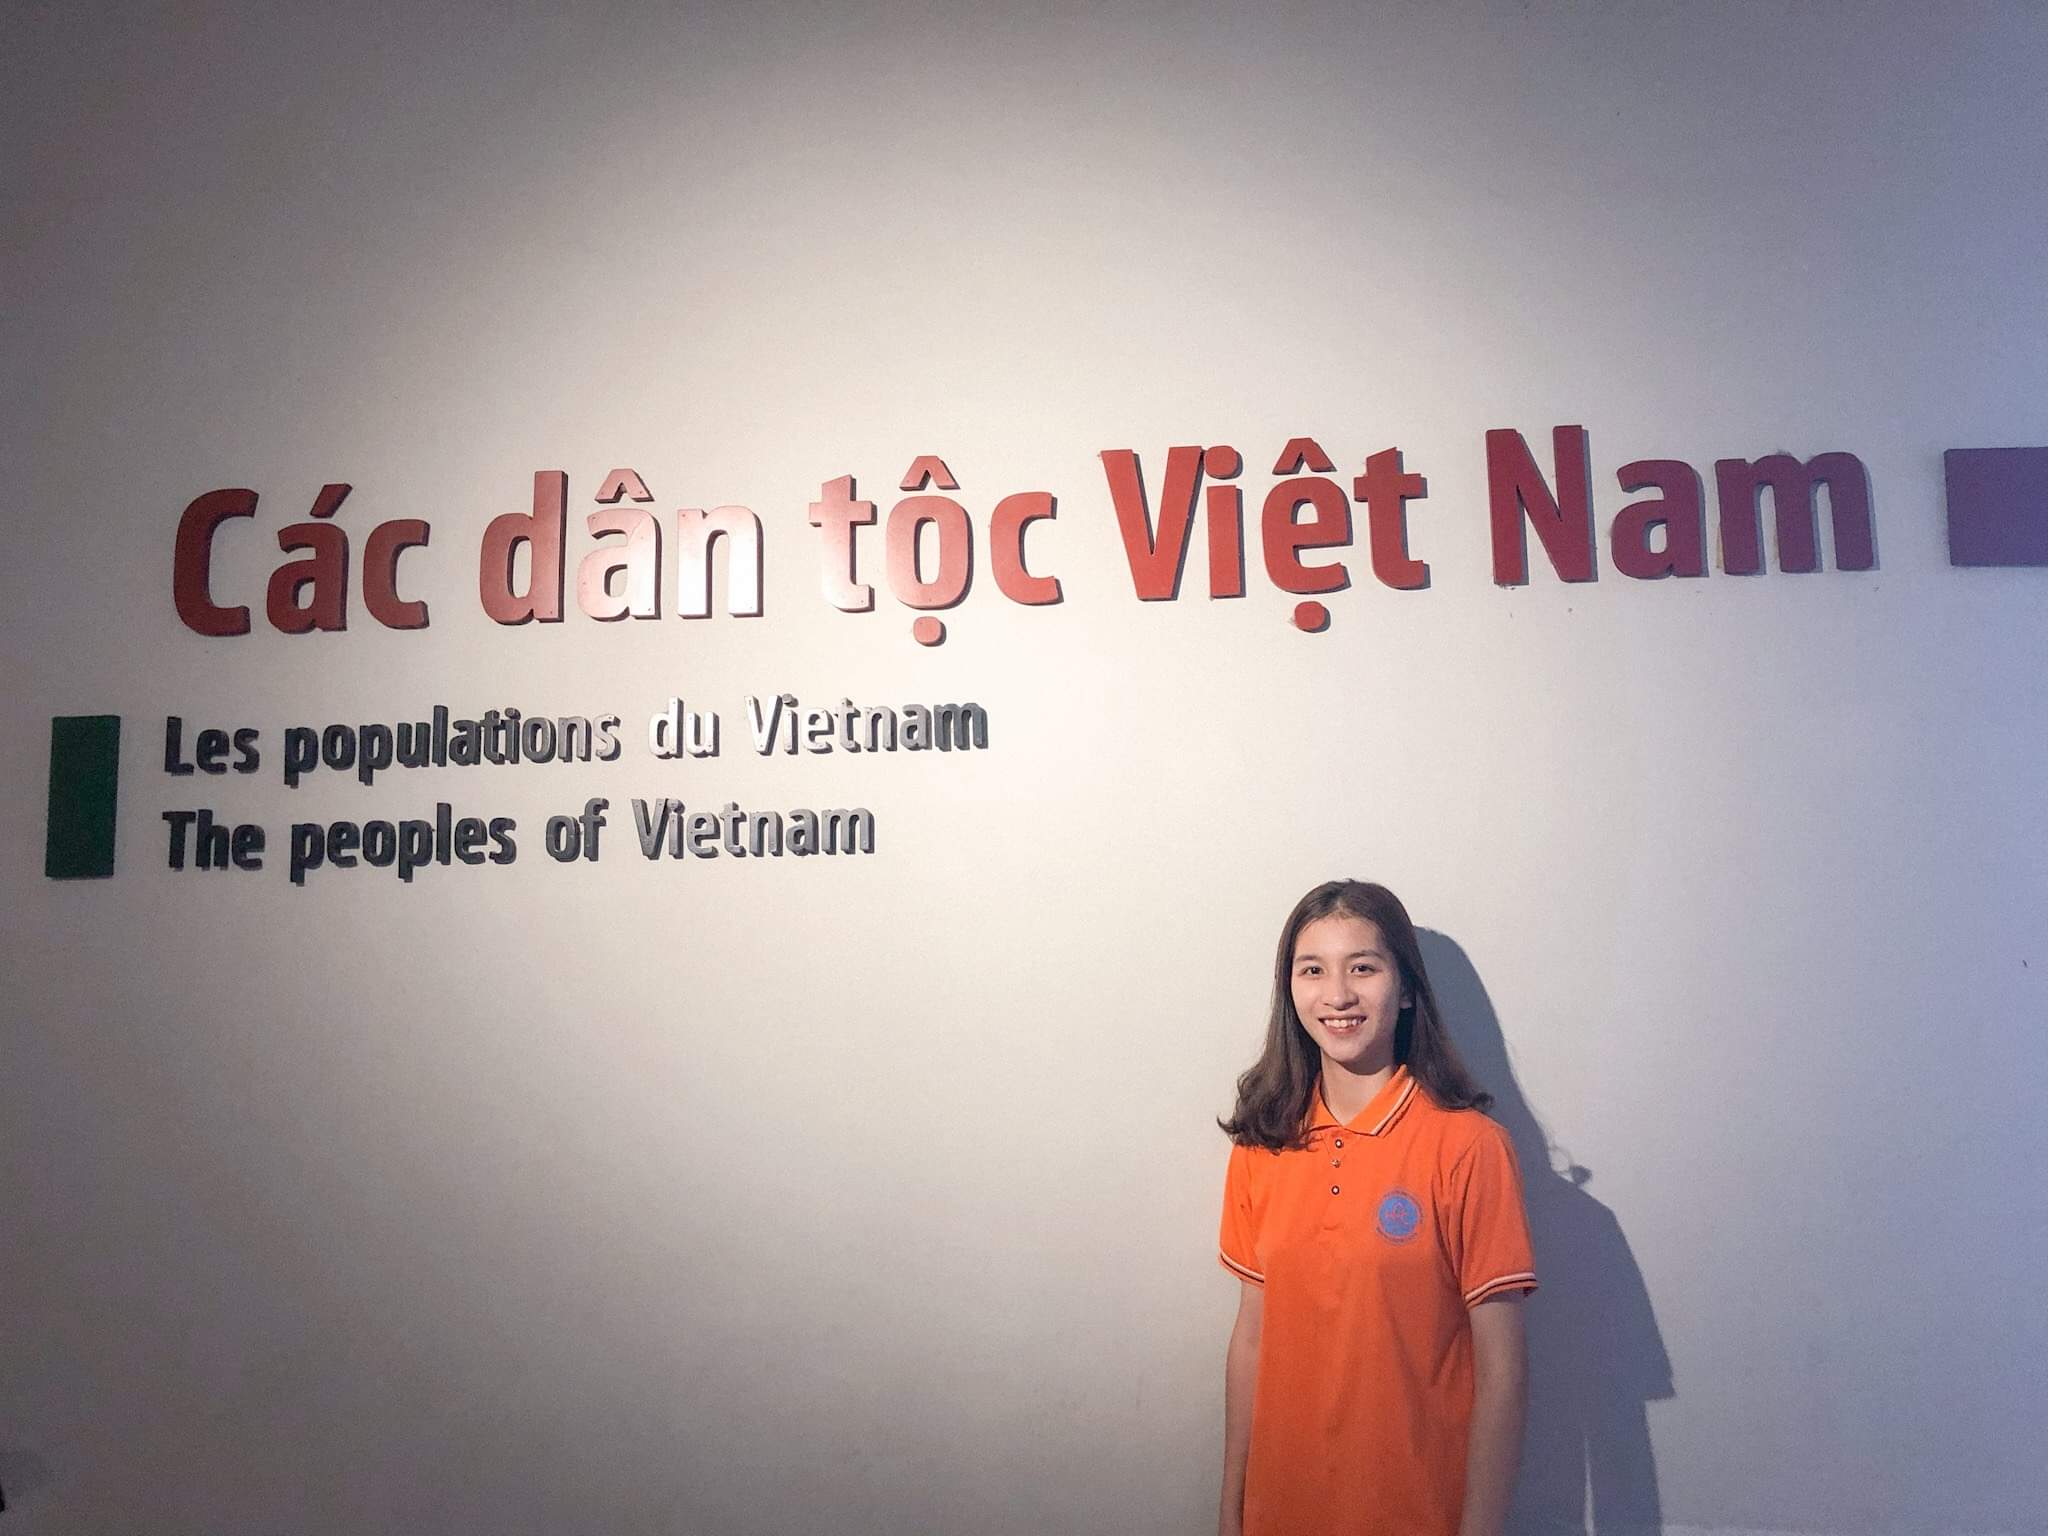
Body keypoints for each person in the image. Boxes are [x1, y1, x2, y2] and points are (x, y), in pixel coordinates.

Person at [1217, 880, 1537, 1536]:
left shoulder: (1469, 1147)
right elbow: (1252, 1339)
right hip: (1280, 1513)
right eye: (1313, 970)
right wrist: (1231, 1509)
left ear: (1408, 989)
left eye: (1363, 967)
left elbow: (1502, 1372)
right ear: (1290, 990)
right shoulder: (1262, 1144)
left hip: (1419, 1514)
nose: (1337, 995)